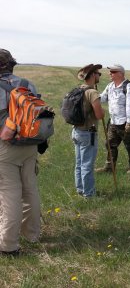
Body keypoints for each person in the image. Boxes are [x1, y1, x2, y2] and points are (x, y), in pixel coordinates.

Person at [0, 49, 41, 255]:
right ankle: (32, 234)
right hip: (29, 143)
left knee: (9, 194)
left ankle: (8, 245)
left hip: (4, 147)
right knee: (30, 189)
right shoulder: (27, 84)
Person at [96, 64, 130, 174]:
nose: (110, 73)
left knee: (129, 145)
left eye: (113, 71)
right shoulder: (110, 86)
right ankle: (109, 167)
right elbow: (103, 98)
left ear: (121, 73)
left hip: (125, 122)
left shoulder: (128, 87)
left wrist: (129, 123)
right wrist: (93, 95)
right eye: (110, 71)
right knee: (109, 144)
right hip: (113, 121)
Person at [73, 64, 104, 198]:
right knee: (87, 165)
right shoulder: (92, 92)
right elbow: (99, 115)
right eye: (98, 73)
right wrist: (102, 111)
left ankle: (80, 189)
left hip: (76, 131)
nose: (99, 75)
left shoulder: (78, 89)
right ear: (92, 75)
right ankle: (89, 195)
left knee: (79, 164)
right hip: (88, 133)